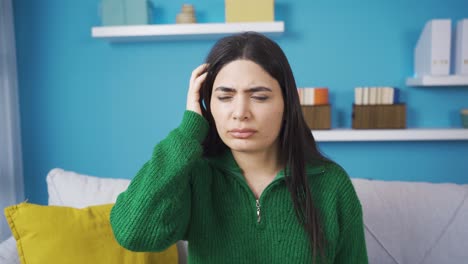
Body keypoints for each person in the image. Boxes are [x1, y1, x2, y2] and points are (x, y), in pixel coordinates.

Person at [110, 32, 368, 264]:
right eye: (224, 97)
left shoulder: (331, 184)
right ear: (207, 104)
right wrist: (189, 130)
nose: (240, 113)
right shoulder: (195, 177)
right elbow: (133, 233)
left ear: (287, 103)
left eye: (259, 97)